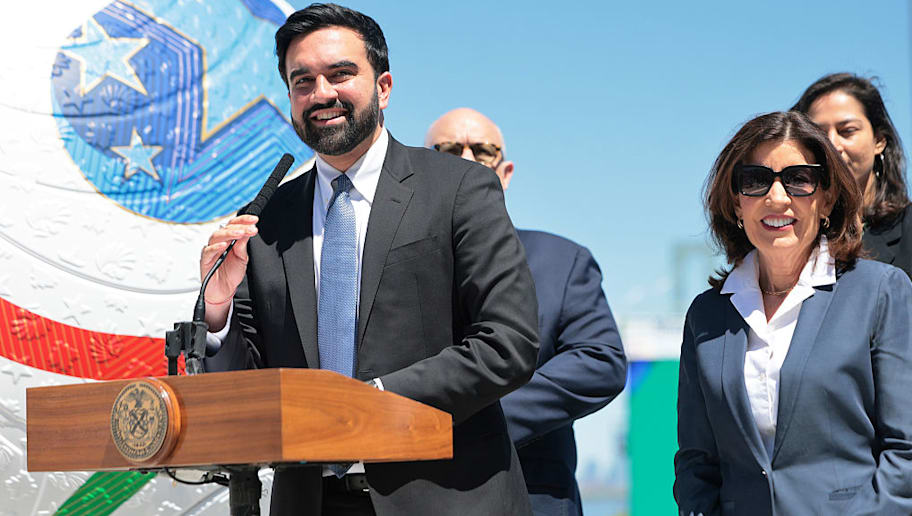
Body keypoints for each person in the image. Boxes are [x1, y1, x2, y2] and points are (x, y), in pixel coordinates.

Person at [200, 4, 539, 515]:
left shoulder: (459, 189)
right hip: (310, 501)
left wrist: (370, 402)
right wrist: (217, 310)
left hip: (444, 498)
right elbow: (245, 388)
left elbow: (508, 343)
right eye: (302, 81)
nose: (322, 94)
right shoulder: (268, 219)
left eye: (340, 74)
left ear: (383, 87)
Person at [674, 111, 912, 515]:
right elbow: (697, 460)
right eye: (755, 180)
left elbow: (904, 451)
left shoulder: (881, 291)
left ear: (827, 199)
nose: (777, 197)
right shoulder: (706, 315)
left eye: (799, 179)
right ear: (736, 203)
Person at [425, 108, 628, 516]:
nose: (467, 160)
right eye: (448, 150)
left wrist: (479, 420)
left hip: (533, 499)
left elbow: (599, 361)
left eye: (483, 150)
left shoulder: (562, 260)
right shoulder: (393, 267)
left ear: (506, 172)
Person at [792, 73, 912, 278]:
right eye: (818, 135)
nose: (832, 145)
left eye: (847, 131)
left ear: (879, 141)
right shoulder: (787, 234)